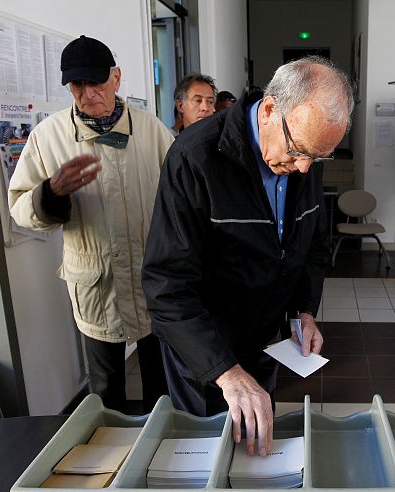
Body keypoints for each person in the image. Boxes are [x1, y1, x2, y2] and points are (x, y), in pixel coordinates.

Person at [142, 56, 352, 457]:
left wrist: (304, 312)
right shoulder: (195, 157)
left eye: (318, 157)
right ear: (270, 109)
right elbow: (166, 285)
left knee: (255, 449)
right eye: (298, 151)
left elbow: (312, 246)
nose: (304, 168)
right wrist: (225, 371)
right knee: (207, 453)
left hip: (264, 338)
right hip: (204, 350)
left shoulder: (304, 152)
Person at [8, 35, 174, 413]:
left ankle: (163, 441)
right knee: (105, 389)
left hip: (152, 278)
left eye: (96, 82)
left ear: (116, 78)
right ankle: (109, 449)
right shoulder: (48, 137)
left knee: (162, 379)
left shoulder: (151, 131)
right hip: (96, 284)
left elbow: (182, 197)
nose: (87, 94)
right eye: (76, 86)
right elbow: (19, 207)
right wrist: (50, 194)